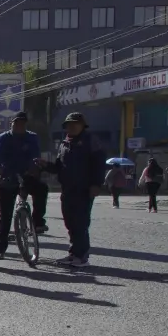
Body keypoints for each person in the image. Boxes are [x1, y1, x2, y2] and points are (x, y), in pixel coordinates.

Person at [38, 112, 107, 266]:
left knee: (80, 223)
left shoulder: (91, 141)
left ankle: (81, 256)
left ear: (83, 126)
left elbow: (99, 164)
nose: (72, 126)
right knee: (70, 223)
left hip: (84, 189)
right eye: (69, 124)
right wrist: (45, 165)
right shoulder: (64, 143)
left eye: (76, 123)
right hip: (67, 189)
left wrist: (96, 184)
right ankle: (73, 253)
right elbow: (58, 167)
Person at [0, 112, 47, 259]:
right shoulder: (3, 138)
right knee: (5, 215)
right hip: (8, 177)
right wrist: (2, 172)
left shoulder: (32, 137)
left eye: (23, 123)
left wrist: (33, 167)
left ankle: (37, 222)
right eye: (17, 123)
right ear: (11, 123)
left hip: (26, 175)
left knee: (42, 188)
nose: (20, 126)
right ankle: (0, 248)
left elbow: (35, 155)